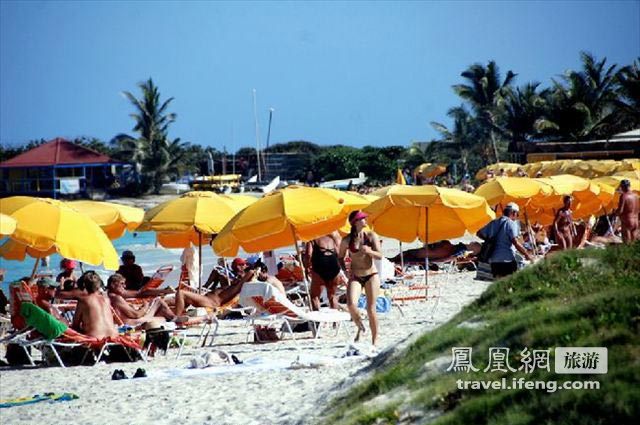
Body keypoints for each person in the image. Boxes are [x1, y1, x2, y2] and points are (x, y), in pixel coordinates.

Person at [338, 210, 383, 346]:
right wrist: (345, 271)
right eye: (362, 218)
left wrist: (370, 251)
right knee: (351, 304)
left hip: (371, 275)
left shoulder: (370, 236)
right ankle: (360, 326)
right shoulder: (347, 240)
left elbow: (380, 255)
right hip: (356, 275)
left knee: (371, 308)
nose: (365, 220)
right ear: (355, 222)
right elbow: (340, 256)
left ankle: (375, 339)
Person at [477, 202, 534, 279]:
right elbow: (516, 242)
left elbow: (479, 233)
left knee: (498, 283)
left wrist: (490, 240)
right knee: (509, 284)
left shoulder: (495, 222)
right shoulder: (511, 223)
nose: (517, 217)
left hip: (494, 260)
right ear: (513, 212)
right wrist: (527, 254)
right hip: (507, 259)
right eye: (517, 214)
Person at [174, 267, 256, 316]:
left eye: (239, 277)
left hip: (210, 303)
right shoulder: (232, 286)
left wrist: (256, 270)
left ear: (243, 280)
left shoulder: (236, 288)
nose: (236, 277)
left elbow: (251, 272)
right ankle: (179, 314)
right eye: (237, 276)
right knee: (177, 299)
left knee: (181, 293)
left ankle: (177, 319)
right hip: (205, 298)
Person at [106, 274, 177, 327]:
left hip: (127, 322)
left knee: (161, 316)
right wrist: (145, 307)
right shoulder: (116, 297)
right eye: (122, 284)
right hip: (132, 323)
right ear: (113, 285)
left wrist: (163, 290)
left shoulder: (109, 295)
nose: (124, 286)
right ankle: (174, 318)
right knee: (157, 301)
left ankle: (173, 318)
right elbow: (136, 315)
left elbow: (139, 293)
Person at [71, 271, 118, 338]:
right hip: (113, 336)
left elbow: (75, 326)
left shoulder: (84, 301)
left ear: (84, 286)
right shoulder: (106, 299)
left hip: (96, 339)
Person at [304, 231, 343, 310]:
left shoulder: (312, 237)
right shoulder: (333, 236)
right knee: (332, 296)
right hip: (334, 266)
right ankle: (335, 321)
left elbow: (308, 254)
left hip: (320, 267)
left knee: (315, 297)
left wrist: (306, 267)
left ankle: (317, 320)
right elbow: (340, 253)